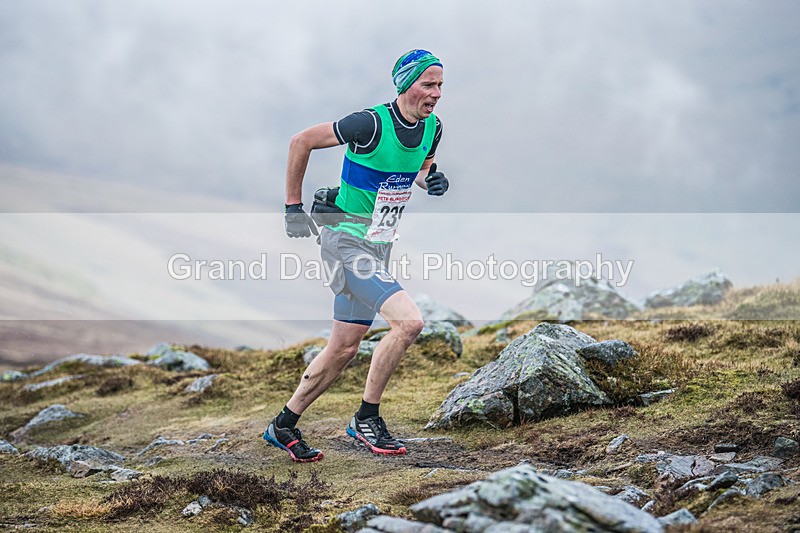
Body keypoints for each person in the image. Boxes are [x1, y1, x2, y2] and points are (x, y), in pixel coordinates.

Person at [263, 49, 449, 462]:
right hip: (345, 241)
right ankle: (366, 418)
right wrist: (293, 207)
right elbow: (302, 141)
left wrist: (431, 180)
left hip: (378, 243)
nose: (436, 93)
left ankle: (283, 425)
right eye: (428, 84)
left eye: (440, 85)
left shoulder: (433, 128)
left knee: (344, 348)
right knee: (409, 322)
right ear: (405, 84)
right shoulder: (369, 123)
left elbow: (421, 167)